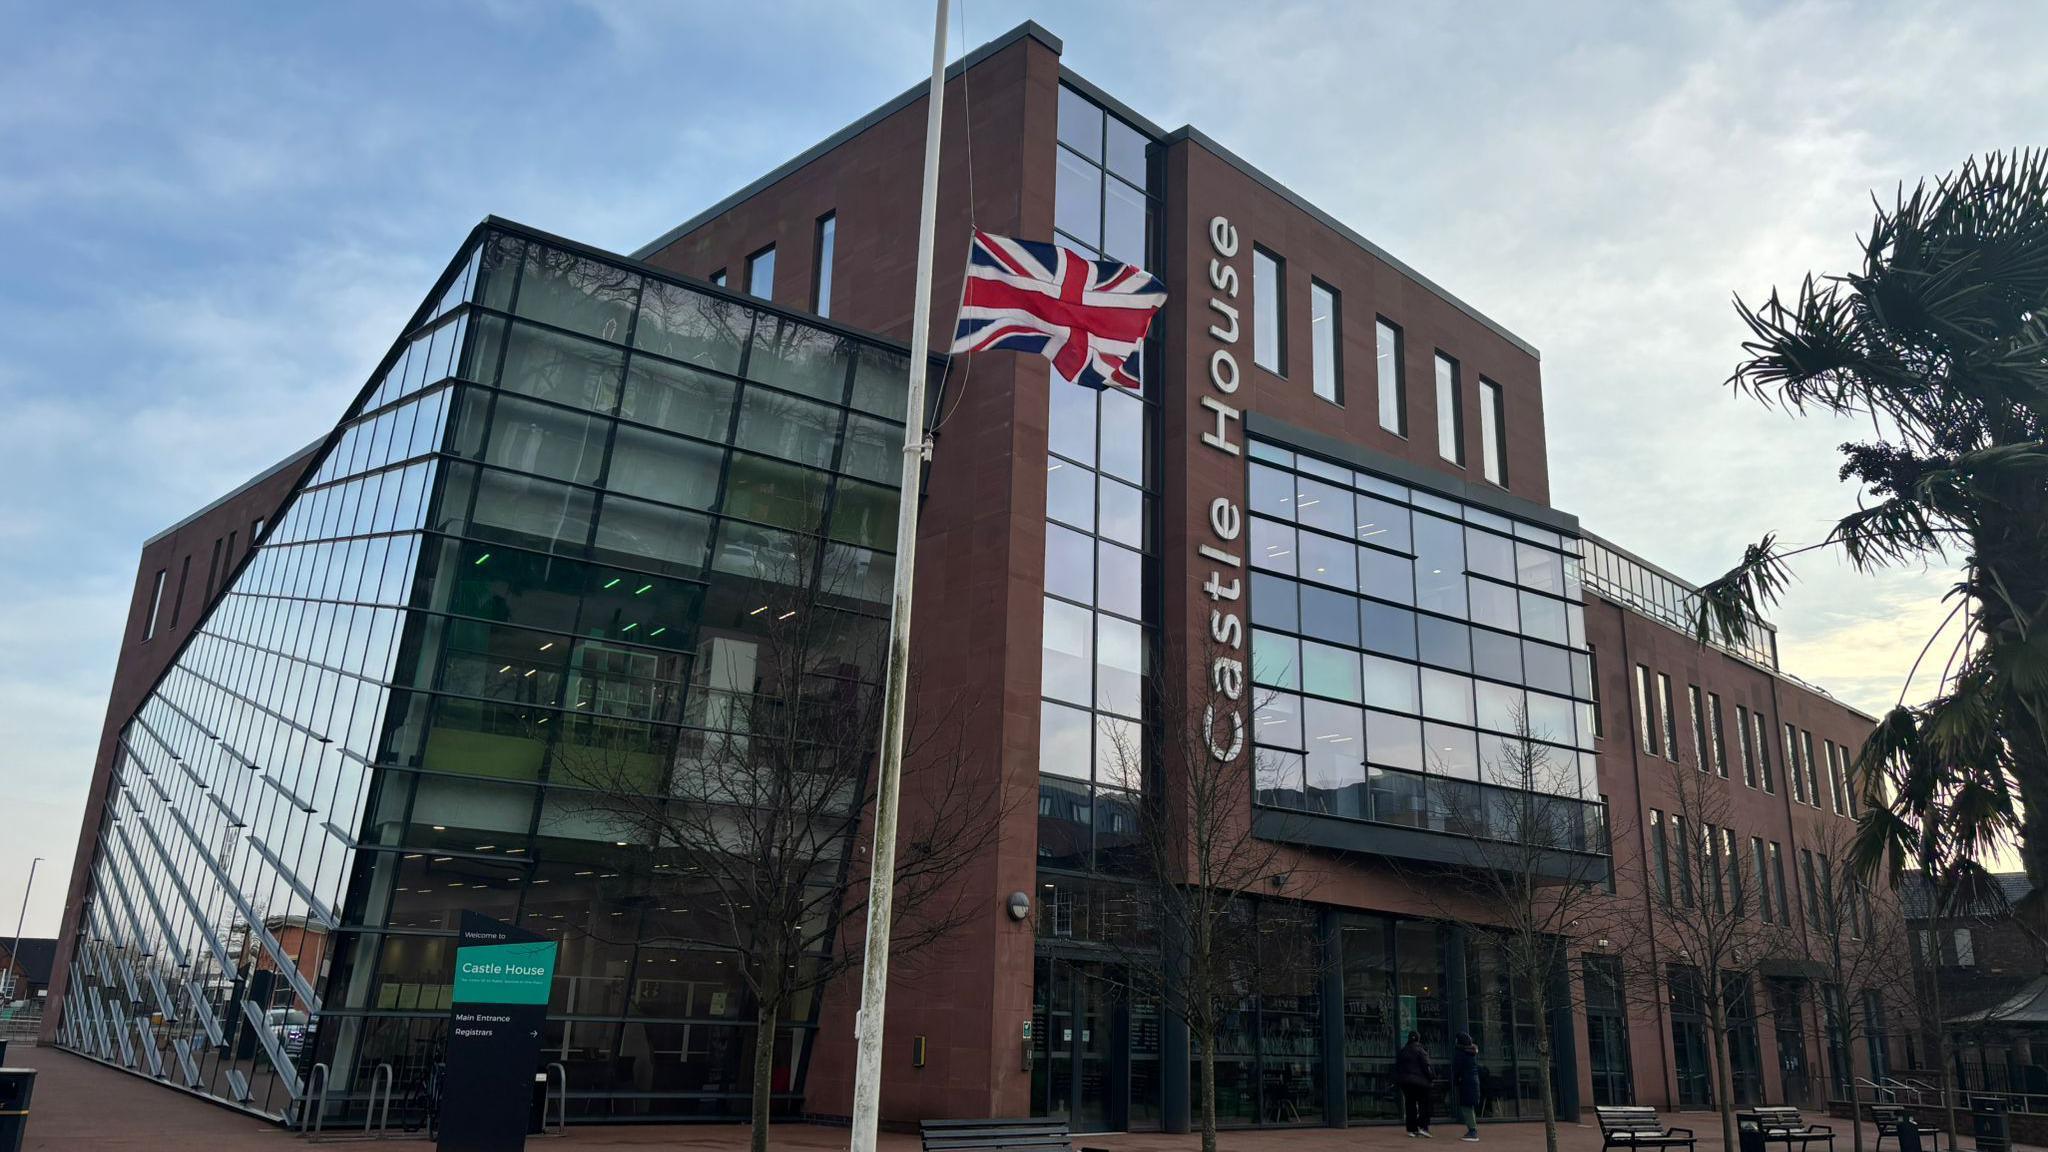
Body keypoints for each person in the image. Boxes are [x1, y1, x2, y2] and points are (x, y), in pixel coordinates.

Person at [1395, 1030, 1434, 1137]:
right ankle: (1423, 1127)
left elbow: (1398, 1067)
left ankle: (1411, 1129)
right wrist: (1431, 1077)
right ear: (1418, 1039)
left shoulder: (1402, 1051)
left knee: (1410, 1104)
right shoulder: (1421, 1050)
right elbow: (1426, 1066)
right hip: (1420, 1082)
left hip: (1406, 1083)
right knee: (1424, 1104)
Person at [1452, 1032, 1482, 1141]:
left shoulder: (1461, 1054)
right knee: (1469, 1106)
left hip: (1466, 1083)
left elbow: (1457, 1069)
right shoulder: (1471, 1053)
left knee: (1466, 1107)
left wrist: (1455, 1082)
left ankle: (1473, 1131)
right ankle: (1472, 1130)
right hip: (1473, 1082)